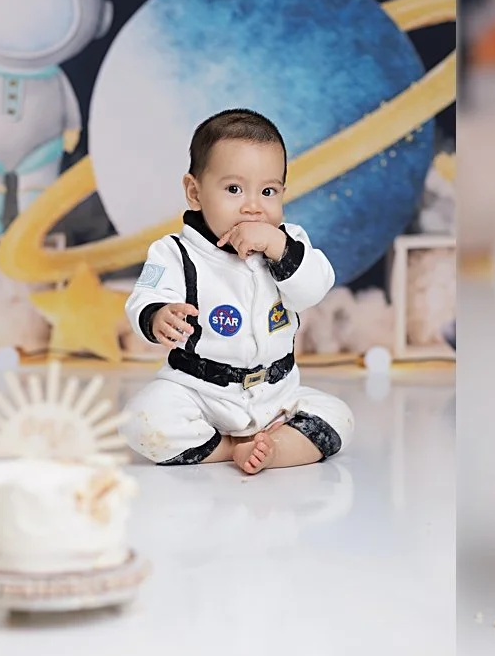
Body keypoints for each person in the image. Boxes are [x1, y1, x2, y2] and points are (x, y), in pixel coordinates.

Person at [123, 107, 350, 475]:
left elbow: (314, 287)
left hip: (276, 393)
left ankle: (272, 448)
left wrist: (277, 246)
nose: (252, 206)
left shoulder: (290, 243)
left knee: (338, 417)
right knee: (142, 421)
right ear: (194, 192)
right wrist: (157, 315)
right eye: (233, 189)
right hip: (201, 391)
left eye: (268, 191)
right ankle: (230, 446)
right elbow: (145, 297)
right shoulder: (175, 252)